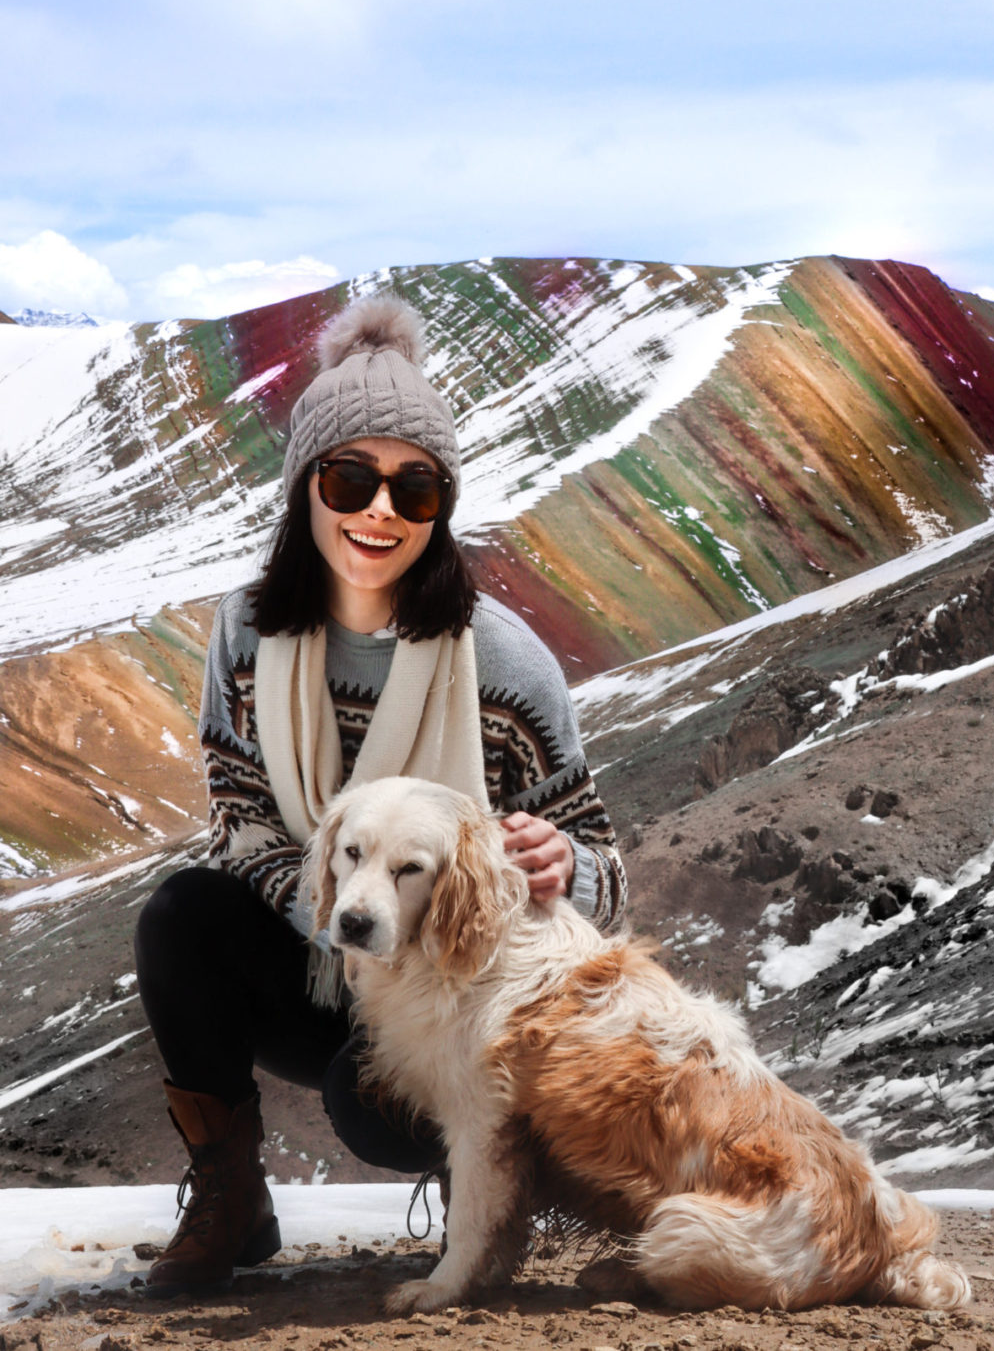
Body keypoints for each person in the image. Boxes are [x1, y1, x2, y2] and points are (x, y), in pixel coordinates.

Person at [134, 293, 627, 1296]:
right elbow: (236, 820)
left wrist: (565, 864)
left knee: (372, 1108)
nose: (379, 512)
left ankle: (480, 1181)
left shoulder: (504, 665)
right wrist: (338, 911)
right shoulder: (245, 634)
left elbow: (610, 876)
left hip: (452, 984)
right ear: (305, 488)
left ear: (442, 508)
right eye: (351, 477)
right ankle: (230, 1194)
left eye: (416, 491)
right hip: (325, 947)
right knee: (181, 917)